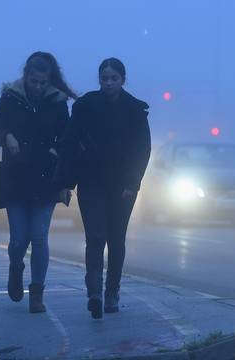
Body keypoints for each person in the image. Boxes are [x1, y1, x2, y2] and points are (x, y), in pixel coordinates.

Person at [55, 57, 151, 319]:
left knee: (116, 239)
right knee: (95, 236)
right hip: (91, 181)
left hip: (122, 186)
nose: (108, 83)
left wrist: (132, 183)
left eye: (114, 79)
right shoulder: (85, 107)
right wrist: (64, 182)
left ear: (122, 80)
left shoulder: (135, 110)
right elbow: (70, 144)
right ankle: (94, 292)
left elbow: (142, 150)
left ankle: (112, 292)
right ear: (99, 79)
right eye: (104, 78)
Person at [0, 51, 76, 313]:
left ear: (49, 81)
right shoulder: (10, 99)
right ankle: (16, 267)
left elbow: (67, 136)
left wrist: (56, 151)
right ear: (26, 77)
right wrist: (7, 136)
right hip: (15, 180)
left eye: (42, 82)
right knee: (18, 240)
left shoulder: (57, 103)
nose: (37, 87)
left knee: (39, 237)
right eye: (34, 81)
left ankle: (37, 294)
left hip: (47, 180)